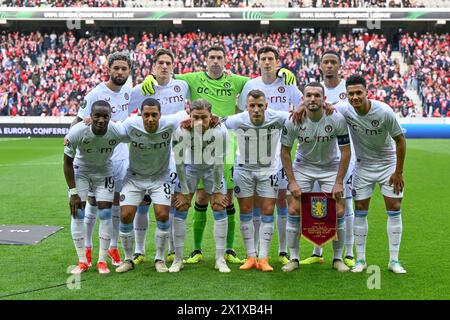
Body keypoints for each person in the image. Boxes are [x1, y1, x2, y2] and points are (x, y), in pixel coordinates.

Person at [142, 45, 296, 265]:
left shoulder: (238, 81)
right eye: (211, 57)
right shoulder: (192, 79)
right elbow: (169, 76)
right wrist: (151, 75)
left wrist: (280, 72)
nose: (215, 61)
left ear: (226, 61)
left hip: (228, 144)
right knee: (202, 198)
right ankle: (196, 250)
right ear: (205, 60)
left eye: (219, 57)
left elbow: (262, 78)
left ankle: (230, 250)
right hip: (198, 143)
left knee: (226, 198)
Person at [238, 46, 303, 266]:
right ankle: (254, 252)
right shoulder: (250, 85)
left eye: (270, 59)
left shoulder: (287, 82)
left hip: (280, 151)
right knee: (257, 202)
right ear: (258, 62)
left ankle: (283, 250)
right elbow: (241, 113)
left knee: (282, 200)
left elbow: (301, 106)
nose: (267, 62)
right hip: (255, 153)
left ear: (278, 62)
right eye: (263, 59)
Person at [336, 75, 407, 274]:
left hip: (388, 165)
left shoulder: (384, 111)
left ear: (367, 92)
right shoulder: (345, 109)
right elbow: (326, 106)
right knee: (360, 209)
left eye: (359, 93)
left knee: (394, 207)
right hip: (363, 166)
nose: (355, 97)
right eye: (351, 94)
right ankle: (360, 260)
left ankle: (394, 261)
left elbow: (400, 140)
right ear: (347, 95)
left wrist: (398, 172)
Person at [280, 82, 351, 273]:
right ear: (302, 99)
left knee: (339, 211)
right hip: (303, 166)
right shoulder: (293, 119)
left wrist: (338, 182)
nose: (312, 99)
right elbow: (285, 152)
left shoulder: (336, 118)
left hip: (330, 167)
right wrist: (292, 181)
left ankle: (338, 258)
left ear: (324, 99)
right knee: (294, 209)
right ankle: (293, 258)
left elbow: (345, 151)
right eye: (308, 95)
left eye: (317, 95)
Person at [129, 48, 190, 266]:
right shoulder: (142, 88)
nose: (164, 66)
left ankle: (173, 249)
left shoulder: (182, 85)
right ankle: (138, 249)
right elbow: (121, 108)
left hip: (175, 152)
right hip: (148, 152)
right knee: (143, 201)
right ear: (154, 66)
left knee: (173, 201)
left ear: (173, 66)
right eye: (160, 63)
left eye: (168, 63)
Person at [71, 51, 132, 268]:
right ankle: (87, 249)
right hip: (98, 158)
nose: (120, 72)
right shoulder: (95, 93)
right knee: (93, 203)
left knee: (115, 203)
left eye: (124, 68)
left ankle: (112, 248)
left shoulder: (128, 92)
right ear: (108, 69)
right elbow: (77, 122)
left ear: (129, 71)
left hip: (121, 157)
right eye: (116, 68)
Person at [115, 98, 187, 273]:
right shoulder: (131, 124)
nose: (150, 119)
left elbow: (189, 114)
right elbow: (111, 129)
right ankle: (128, 259)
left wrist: (212, 117)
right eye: (146, 115)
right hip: (134, 177)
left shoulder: (170, 123)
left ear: (160, 115)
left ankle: (160, 259)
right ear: (140, 115)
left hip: (160, 177)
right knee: (125, 215)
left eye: (154, 115)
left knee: (163, 215)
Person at [222, 89, 290, 272]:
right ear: (246, 107)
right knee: (245, 210)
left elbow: (298, 114)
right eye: (252, 106)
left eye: (260, 106)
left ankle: (264, 258)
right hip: (243, 170)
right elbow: (217, 122)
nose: (256, 110)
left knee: (268, 210)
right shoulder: (238, 119)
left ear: (266, 106)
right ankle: (251, 256)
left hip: (268, 170)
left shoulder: (278, 117)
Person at [301, 50, 356, 268]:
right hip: (315, 156)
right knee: (318, 203)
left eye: (334, 62)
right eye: (326, 62)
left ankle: (348, 252)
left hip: (342, 155)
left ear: (340, 65)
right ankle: (317, 249)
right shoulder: (313, 90)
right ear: (320, 66)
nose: (330, 66)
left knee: (345, 204)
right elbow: (302, 108)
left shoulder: (347, 90)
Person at [63, 100, 128, 275]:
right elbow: (67, 162)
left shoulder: (116, 130)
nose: (101, 120)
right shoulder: (77, 131)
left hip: (104, 173)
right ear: (90, 117)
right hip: (81, 172)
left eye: (105, 116)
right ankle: (82, 261)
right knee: (78, 212)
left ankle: (101, 261)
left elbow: (137, 134)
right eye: (97, 116)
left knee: (106, 213)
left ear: (110, 117)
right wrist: (73, 192)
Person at [170, 99, 229, 273]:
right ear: (189, 115)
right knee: (181, 206)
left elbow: (220, 162)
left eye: (204, 118)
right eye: (195, 117)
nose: (199, 122)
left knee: (219, 206)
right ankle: (178, 259)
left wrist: (218, 190)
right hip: (189, 168)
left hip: (212, 169)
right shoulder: (181, 131)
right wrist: (184, 192)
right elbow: (179, 163)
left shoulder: (220, 131)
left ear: (211, 117)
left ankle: (220, 259)